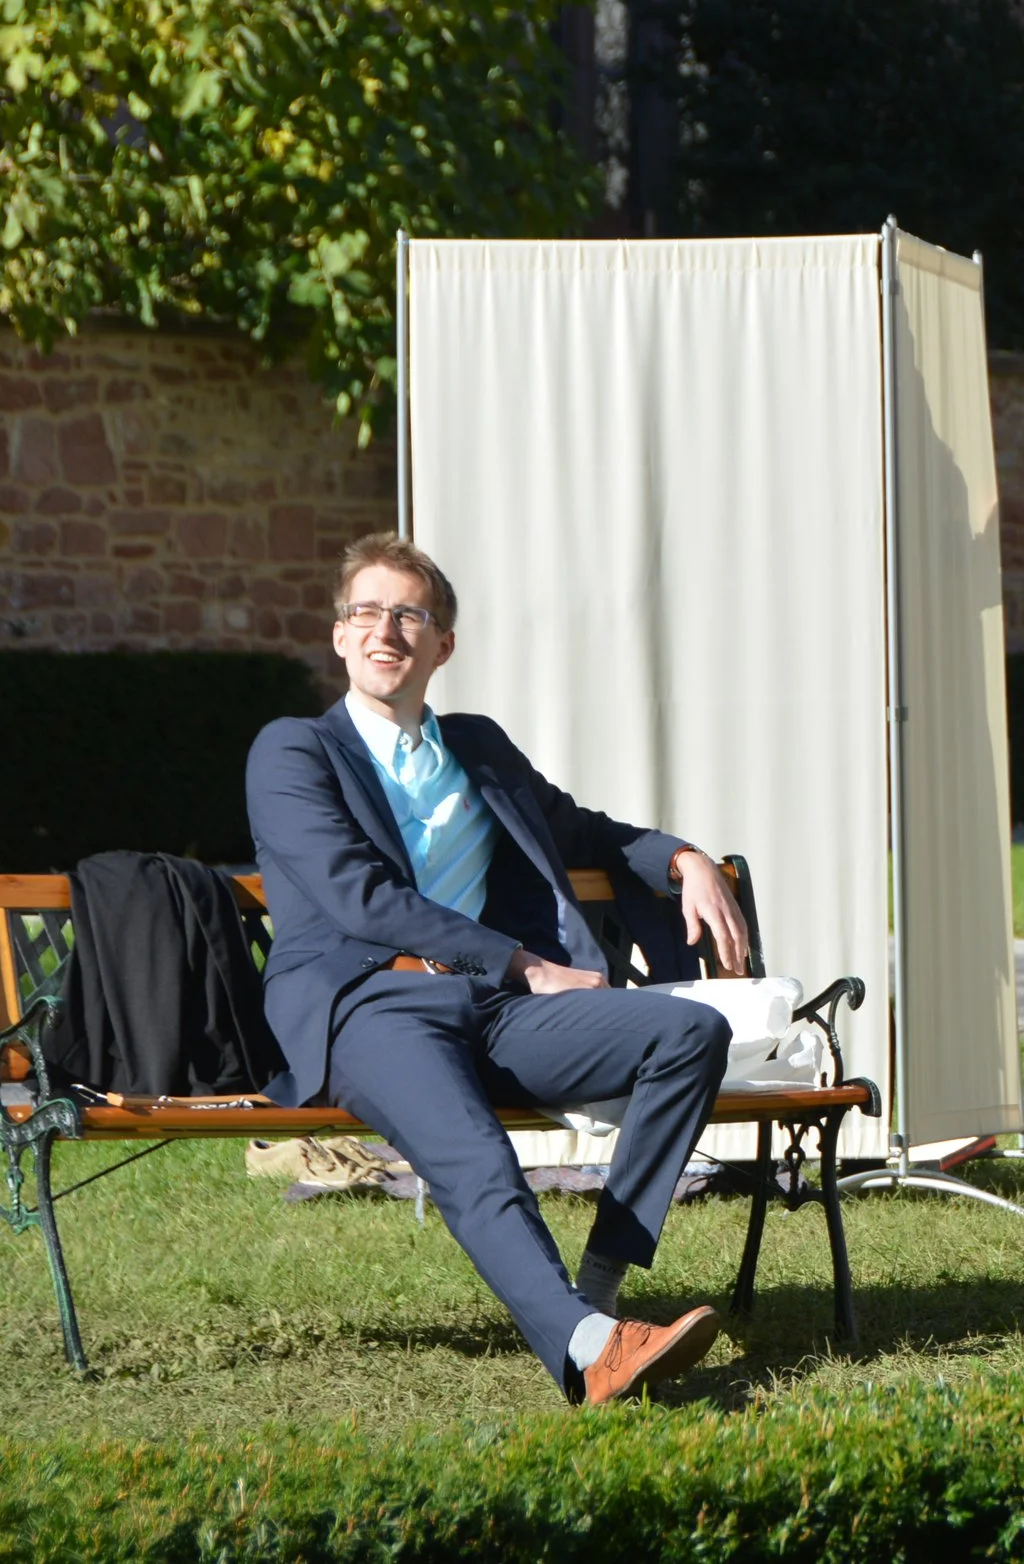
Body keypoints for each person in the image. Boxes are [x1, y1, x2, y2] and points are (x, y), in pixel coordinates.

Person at [245, 532, 753, 1403]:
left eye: (411, 615)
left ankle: (595, 1294)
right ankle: (596, 1352)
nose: (386, 630)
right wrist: (522, 963)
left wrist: (684, 859)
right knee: (477, 1159)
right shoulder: (293, 750)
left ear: (443, 645)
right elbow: (358, 895)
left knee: (689, 1033)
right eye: (366, 611)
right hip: (369, 1004)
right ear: (339, 637)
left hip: (493, 1008)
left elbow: (585, 831)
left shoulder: (476, 748)